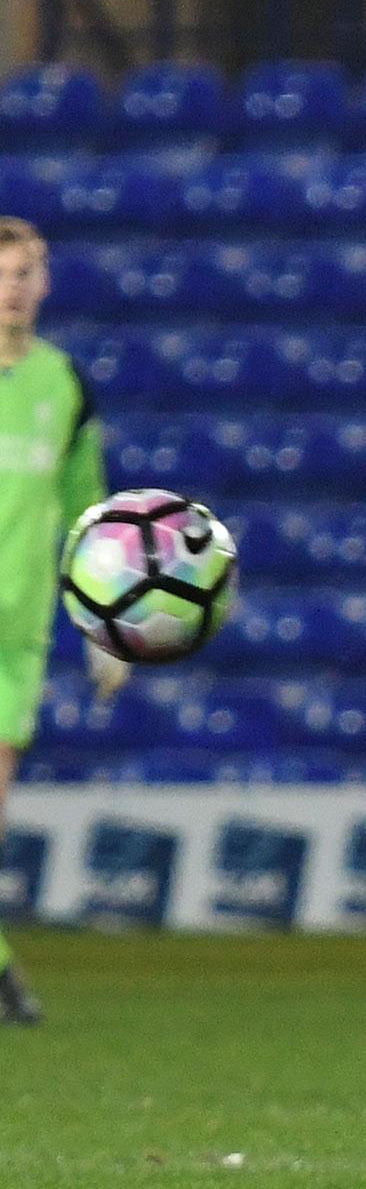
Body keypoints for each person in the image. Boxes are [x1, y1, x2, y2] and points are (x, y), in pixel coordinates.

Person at [0, 217, 128, 1025]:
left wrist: (104, 628)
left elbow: (89, 516)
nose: (13, 286)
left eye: (25, 272)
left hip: (15, 639)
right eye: (2, 272)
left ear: (44, 284)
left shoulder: (65, 385)